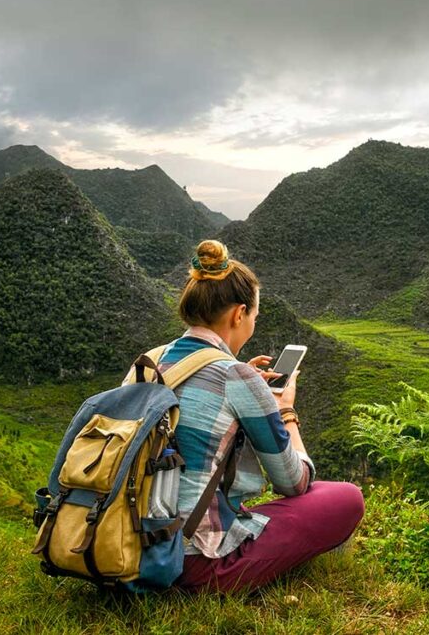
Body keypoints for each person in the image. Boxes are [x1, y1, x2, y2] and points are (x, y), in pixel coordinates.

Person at [159, 239, 364, 592]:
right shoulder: (237, 377)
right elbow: (294, 482)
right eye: (255, 315)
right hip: (195, 565)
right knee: (346, 498)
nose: (253, 322)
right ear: (239, 314)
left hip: (136, 546)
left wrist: (243, 380)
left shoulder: (151, 361)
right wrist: (284, 410)